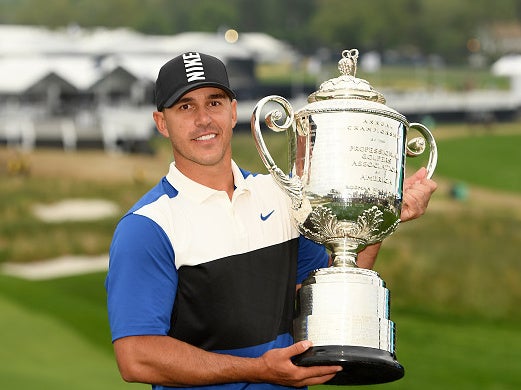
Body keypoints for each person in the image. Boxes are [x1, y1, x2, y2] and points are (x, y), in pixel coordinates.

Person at [105, 52, 437, 390]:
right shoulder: (147, 227)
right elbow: (136, 356)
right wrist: (257, 369)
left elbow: (324, 295)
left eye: (214, 103)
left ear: (234, 111)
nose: (203, 119)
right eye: (186, 107)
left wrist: (379, 216)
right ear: (162, 122)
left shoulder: (281, 196)